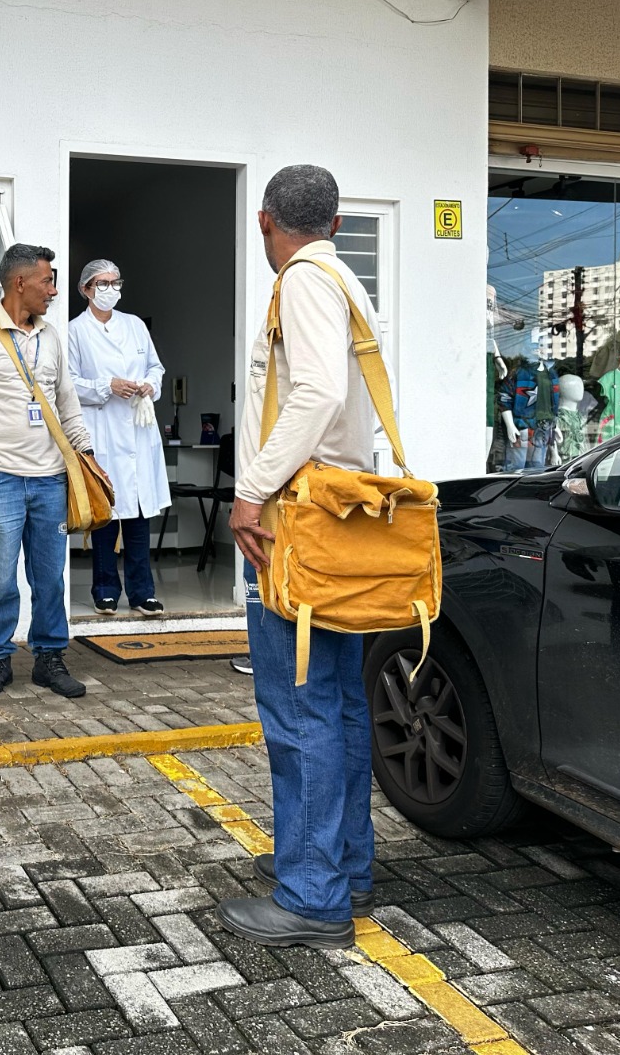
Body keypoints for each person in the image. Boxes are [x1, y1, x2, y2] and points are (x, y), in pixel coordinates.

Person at [217, 165, 381, 951]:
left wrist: (249, 491)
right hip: (336, 523)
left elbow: (314, 393)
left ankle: (313, 894)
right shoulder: (341, 276)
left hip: (293, 527)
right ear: (338, 223)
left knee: (301, 710)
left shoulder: (303, 281)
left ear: (263, 221)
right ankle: (340, 865)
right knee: (341, 702)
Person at [0, 244, 98, 700]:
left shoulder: (51, 337)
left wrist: (86, 457)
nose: (54, 290)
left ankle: (49, 658)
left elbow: (67, 403)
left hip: (50, 478)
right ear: (19, 283)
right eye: (47, 281)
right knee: (0, 578)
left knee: (50, 577)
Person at [67, 259, 168, 615]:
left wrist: (149, 385)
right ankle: (105, 589)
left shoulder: (135, 325)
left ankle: (143, 593)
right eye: (101, 283)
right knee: (106, 512)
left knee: (139, 514)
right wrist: (106, 385)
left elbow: (156, 366)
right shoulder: (74, 331)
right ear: (86, 289)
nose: (110, 288)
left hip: (138, 429)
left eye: (115, 282)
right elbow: (67, 384)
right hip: (102, 428)